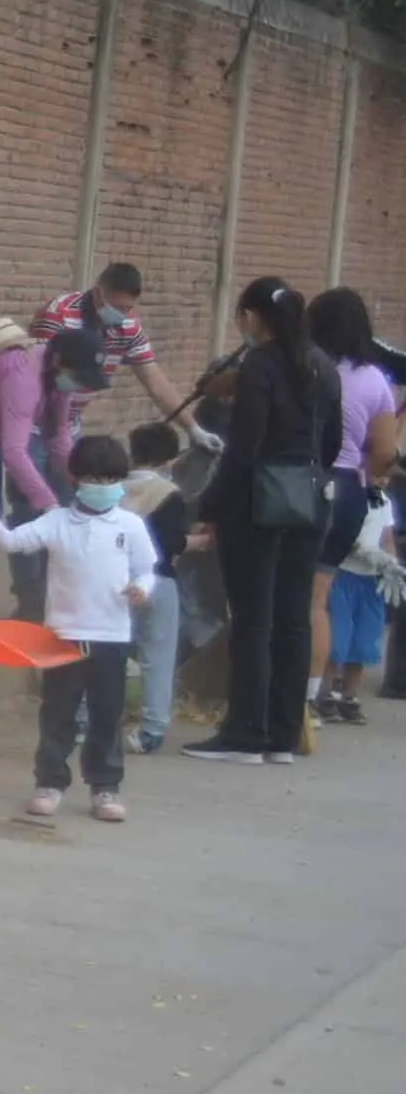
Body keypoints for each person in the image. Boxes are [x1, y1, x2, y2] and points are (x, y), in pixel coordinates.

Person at [182, 278, 342, 765]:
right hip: (311, 500)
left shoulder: (260, 366)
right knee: (293, 618)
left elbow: (244, 450)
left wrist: (209, 506)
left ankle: (244, 732)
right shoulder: (323, 366)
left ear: (252, 317)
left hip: (258, 503)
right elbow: (332, 442)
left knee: (253, 619)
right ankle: (282, 735)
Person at [0, 434, 157, 827]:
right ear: (75, 478)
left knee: (107, 714)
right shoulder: (56, 522)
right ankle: (49, 783)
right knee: (58, 711)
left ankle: (105, 786)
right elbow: (11, 542)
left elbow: (146, 569)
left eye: (111, 480)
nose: (104, 487)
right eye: (95, 478)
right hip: (63, 635)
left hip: (112, 636)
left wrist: (141, 589)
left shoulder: (130, 525)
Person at [0, 321, 104, 632]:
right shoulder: (24, 376)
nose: (79, 385)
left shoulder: (58, 380)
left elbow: (59, 437)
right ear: (58, 362)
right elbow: (15, 452)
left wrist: (80, 482)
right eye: (78, 377)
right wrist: (50, 505)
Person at [304, 287, 399, 723]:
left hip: (300, 482)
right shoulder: (375, 379)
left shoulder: (305, 367)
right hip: (347, 490)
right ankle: (311, 697)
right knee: (318, 597)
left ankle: (281, 690)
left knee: (283, 593)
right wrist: (363, 466)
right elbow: (384, 452)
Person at [36, 261, 187, 421]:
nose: (121, 314)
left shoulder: (128, 325)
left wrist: (194, 429)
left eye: (127, 308)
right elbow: (36, 376)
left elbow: (155, 383)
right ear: (97, 294)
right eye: (116, 307)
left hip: (69, 422)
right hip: (34, 418)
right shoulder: (59, 315)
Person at [125, 420, 192, 753]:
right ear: (170, 459)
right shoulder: (170, 494)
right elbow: (173, 543)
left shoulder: (115, 490)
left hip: (118, 583)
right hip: (159, 580)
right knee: (158, 656)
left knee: (105, 651)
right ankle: (152, 729)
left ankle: (84, 719)